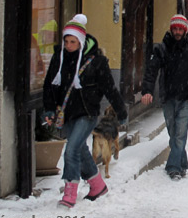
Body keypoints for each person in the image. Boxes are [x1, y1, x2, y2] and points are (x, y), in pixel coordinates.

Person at [41, 14, 127, 208]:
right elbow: (49, 85)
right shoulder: (59, 58)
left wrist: (121, 112)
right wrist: (48, 108)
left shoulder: (97, 62)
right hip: (67, 112)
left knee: (71, 149)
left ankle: (70, 190)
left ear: (81, 42)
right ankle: (97, 185)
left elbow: (109, 89)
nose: (69, 45)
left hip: (87, 113)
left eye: (73, 42)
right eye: (66, 41)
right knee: (80, 149)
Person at [141, 14, 188, 181]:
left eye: (180, 29)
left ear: (185, 30)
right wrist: (147, 90)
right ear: (171, 29)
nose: (177, 32)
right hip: (168, 96)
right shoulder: (162, 48)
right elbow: (151, 71)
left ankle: (173, 167)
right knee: (173, 132)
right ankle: (182, 163)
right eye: (174, 28)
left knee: (180, 133)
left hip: (186, 96)